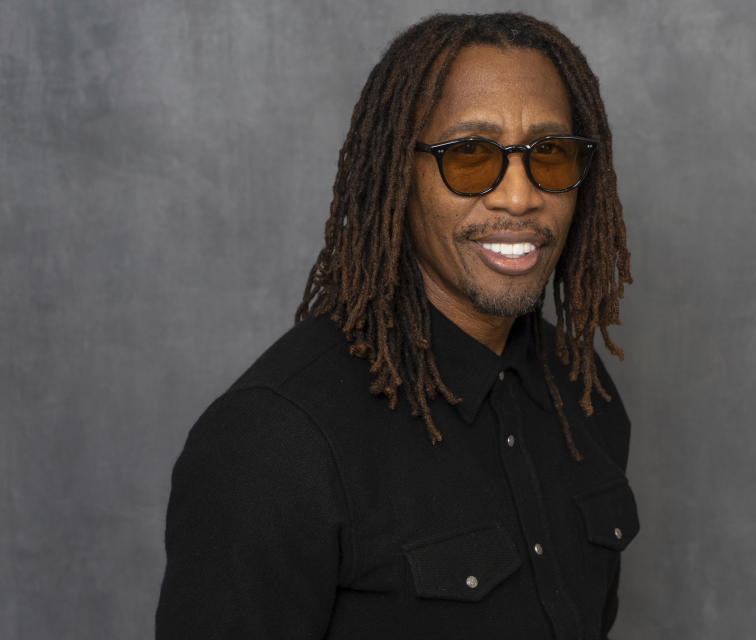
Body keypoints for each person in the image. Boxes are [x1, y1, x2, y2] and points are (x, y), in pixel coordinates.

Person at [156, 12, 637, 640]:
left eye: (548, 154)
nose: (519, 197)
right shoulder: (274, 440)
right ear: (396, 172)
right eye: (469, 156)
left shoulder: (585, 392)